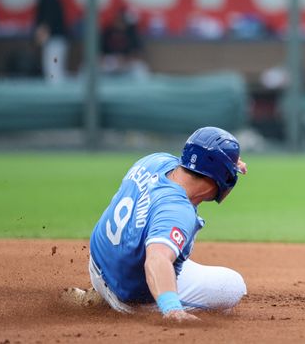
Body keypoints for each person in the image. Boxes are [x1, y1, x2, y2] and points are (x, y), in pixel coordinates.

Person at [63, 127, 248, 321]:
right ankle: (132, 304)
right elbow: (157, 259)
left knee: (161, 240)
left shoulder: (155, 161)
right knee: (232, 287)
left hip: (98, 264)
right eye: (229, 172)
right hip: (129, 293)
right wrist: (172, 309)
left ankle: (98, 293)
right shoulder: (176, 210)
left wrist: (223, 162)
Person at [33, 0, 68, 83]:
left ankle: (58, 98)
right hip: (53, 41)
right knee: (52, 71)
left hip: (56, 41)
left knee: (54, 71)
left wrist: (40, 36)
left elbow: (47, 21)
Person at [101, 7, 149, 78]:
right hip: (110, 61)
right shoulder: (108, 31)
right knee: (89, 68)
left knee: (140, 69)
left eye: (122, 20)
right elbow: (99, 52)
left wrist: (126, 59)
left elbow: (138, 53)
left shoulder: (132, 32)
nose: (120, 22)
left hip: (127, 61)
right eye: (119, 19)